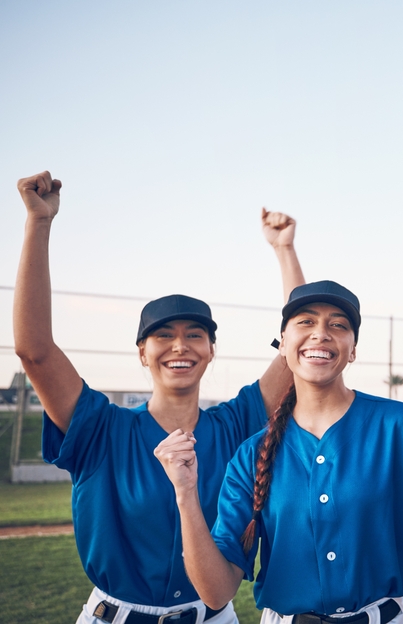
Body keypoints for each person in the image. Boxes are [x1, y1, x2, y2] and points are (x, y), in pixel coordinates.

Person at [13, 170, 305, 624]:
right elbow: (35, 351)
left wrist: (284, 251)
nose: (180, 345)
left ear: (211, 351)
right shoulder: (101, 428)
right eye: (163, 336)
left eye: (194, 335)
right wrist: (39, 222)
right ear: (142, 353)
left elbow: (296, 353)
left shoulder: (233, 425)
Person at [155, 280, 403, 624]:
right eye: (306, 322)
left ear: (353, 348)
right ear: (283, 345)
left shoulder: (400, 426)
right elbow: (217, 590)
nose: (321, 333)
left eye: (338, 325)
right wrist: (185, 494)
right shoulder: (252, 454)